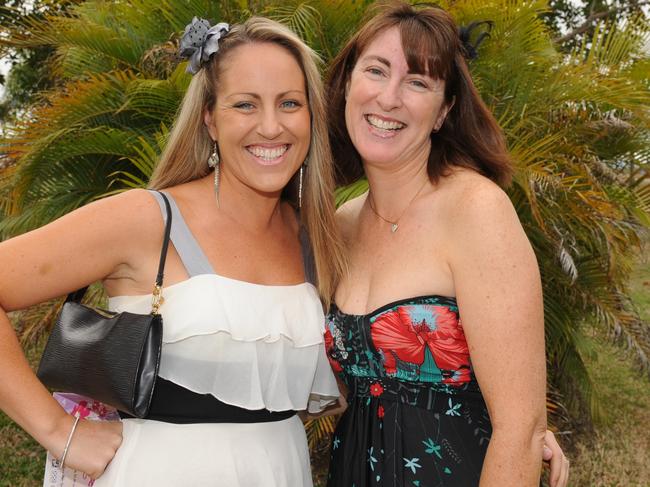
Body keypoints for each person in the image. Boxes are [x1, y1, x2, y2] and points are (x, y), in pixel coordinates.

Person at [0, 16, 346, 486]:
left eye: (290, 103)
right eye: (245, 104)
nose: (271, 126)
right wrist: (59, 430)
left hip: (281, 471)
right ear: (210, 117)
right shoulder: (146, 220)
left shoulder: (318, 237)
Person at [323, 2, 570, 486]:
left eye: (418, 82)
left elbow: (519, 429)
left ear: (444, 111)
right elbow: (321, 389)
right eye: (376, 70)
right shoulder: (339, 224)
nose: (388, 98)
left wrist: (532, 431)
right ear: (348, 83)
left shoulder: (477, 211)